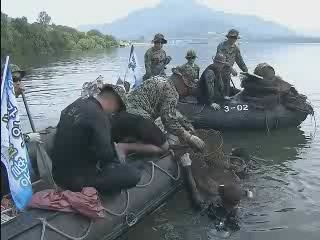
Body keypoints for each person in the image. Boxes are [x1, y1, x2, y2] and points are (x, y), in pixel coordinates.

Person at [51, 84, 142, 193]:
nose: (112, 114)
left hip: (58, 174)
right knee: (133, 174)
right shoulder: (99, 116)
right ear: (113, 102)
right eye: (115, 110)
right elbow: (106, 155)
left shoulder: (76, 104)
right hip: (77, 181)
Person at [1, 64, 41, 198]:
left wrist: (15, 94)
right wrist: (28, 138)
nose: (19, 83)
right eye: (14, 79)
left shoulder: (9, 101)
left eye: (20, 79)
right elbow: (5, 139)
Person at [216, 29, 248, 97]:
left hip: (227, 74)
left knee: (227, 93)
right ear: (228, 37)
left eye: (235, 37)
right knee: (219, 91)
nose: (233, 39)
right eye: (231, 37)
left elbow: (240, 61)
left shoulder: (236, 49)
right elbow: (220, 61)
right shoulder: (221, 46)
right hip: (218, 73)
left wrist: (246, 72)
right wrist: (231, 68)